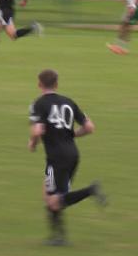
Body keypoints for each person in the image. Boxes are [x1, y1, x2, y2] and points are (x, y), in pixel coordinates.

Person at [28, 69, 105, 246]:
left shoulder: (39, 104)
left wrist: (33, 142)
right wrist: (73, 135)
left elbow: (37, 130)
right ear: (56, 84)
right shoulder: (69, 102)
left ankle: (90, 190)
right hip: (72, 155)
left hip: (56, 158)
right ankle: (58, 236)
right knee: (49, 193)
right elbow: (90, 127)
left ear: (39, 84)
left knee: (53, 200)